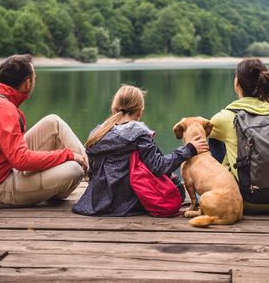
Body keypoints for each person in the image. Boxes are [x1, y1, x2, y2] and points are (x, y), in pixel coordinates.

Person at [0, 54, 88, 207]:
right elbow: (21, 161)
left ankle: (94, 173)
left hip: (4, 168)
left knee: (53, 122)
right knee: (74, 170)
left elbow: (16, 157)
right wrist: (67, 155)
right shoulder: (3, 109)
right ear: (28, 83)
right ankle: (91, 176)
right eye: (34, 77)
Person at [72, 84, 208, 216]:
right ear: (140, 111)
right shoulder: (139, 133)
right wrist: (189, 149)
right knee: (176, 187)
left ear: (114, 108)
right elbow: (159, 167)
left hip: (96, 201)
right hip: (128, 202)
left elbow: (92, 172)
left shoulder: (97, 133)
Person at [208, 57, 269, 212]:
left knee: (211, 140)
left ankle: (215, 193)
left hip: (242, 201)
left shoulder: (224, 117)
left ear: (236, 83)